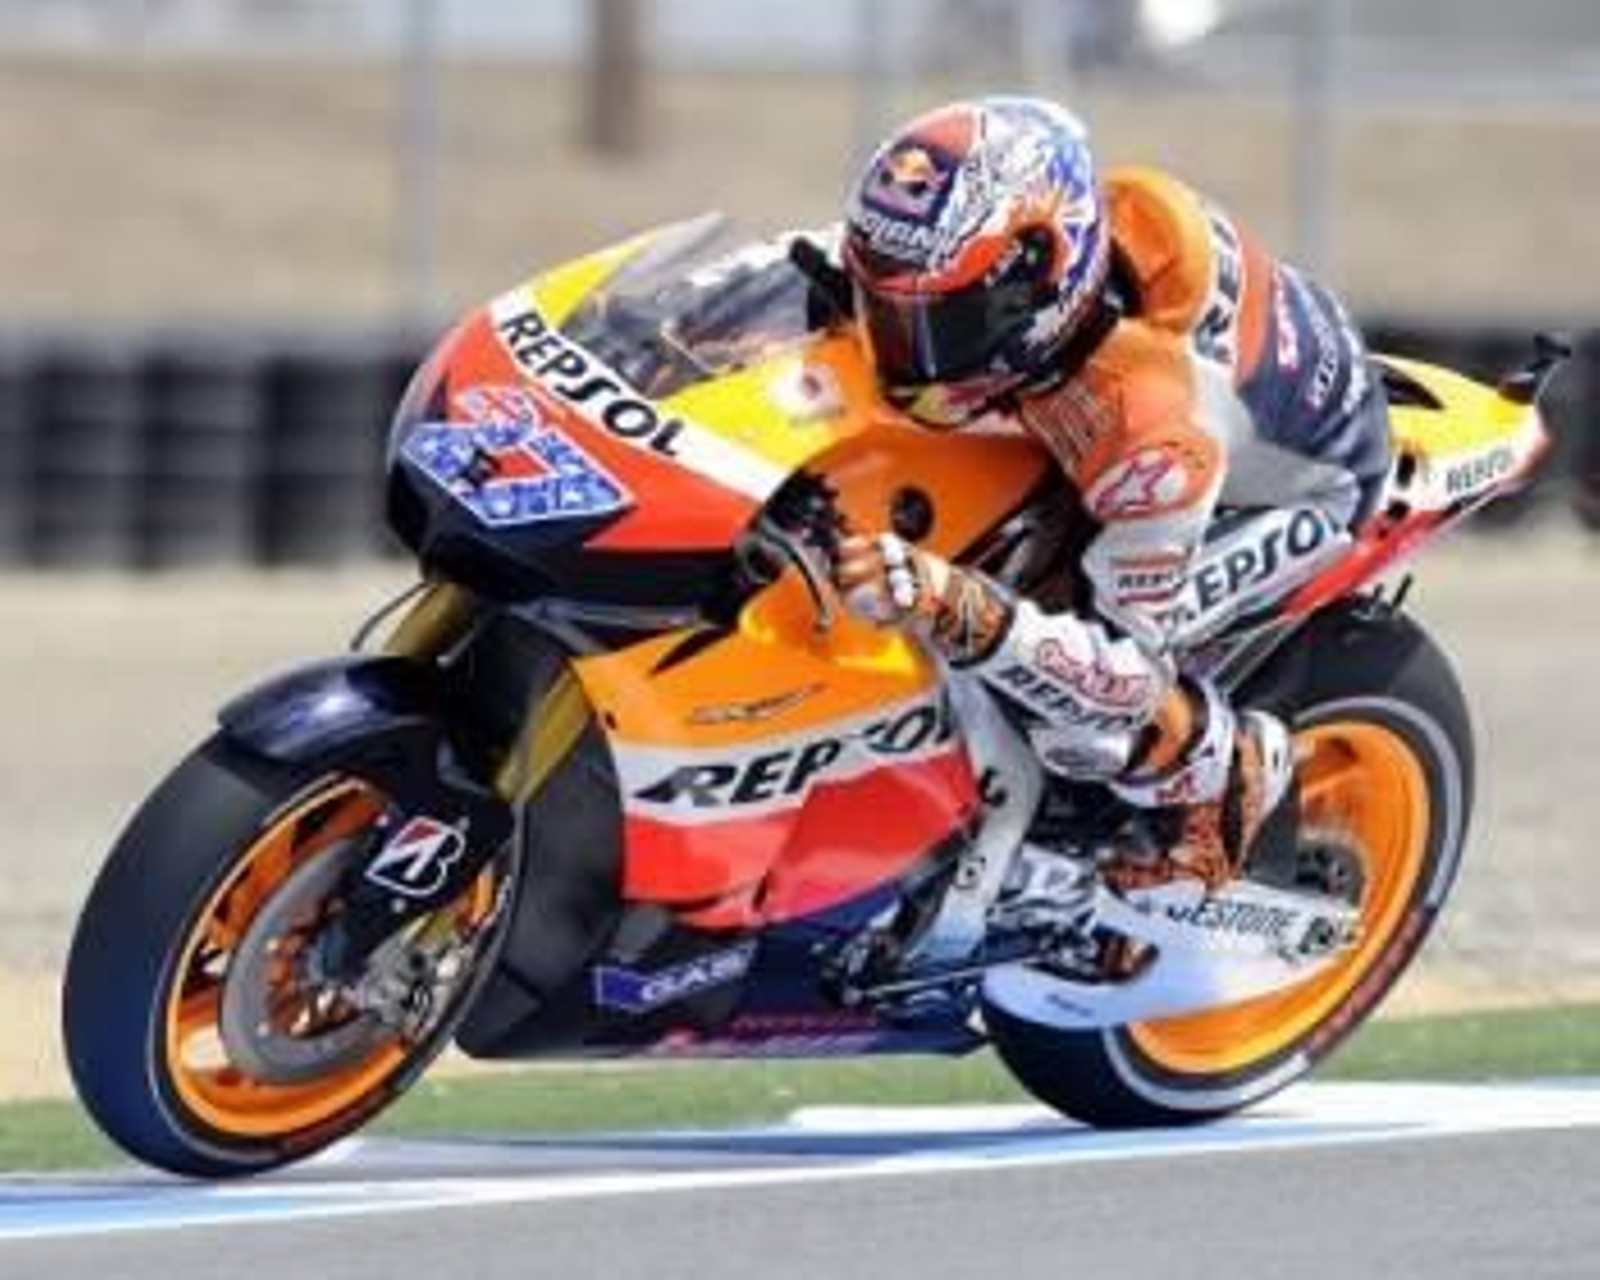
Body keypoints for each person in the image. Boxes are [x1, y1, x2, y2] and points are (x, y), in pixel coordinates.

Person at [831, 96, 1391, 887]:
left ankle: (1226, 776)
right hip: (1237, 391)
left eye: (941, 322)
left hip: (1305, 492)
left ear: (1036, 288)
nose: (902, 351)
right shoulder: (1028, 242)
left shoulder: (1147, 428)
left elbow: (1121, 675)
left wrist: (953, 604)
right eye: (886, 310)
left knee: (1077, 724)